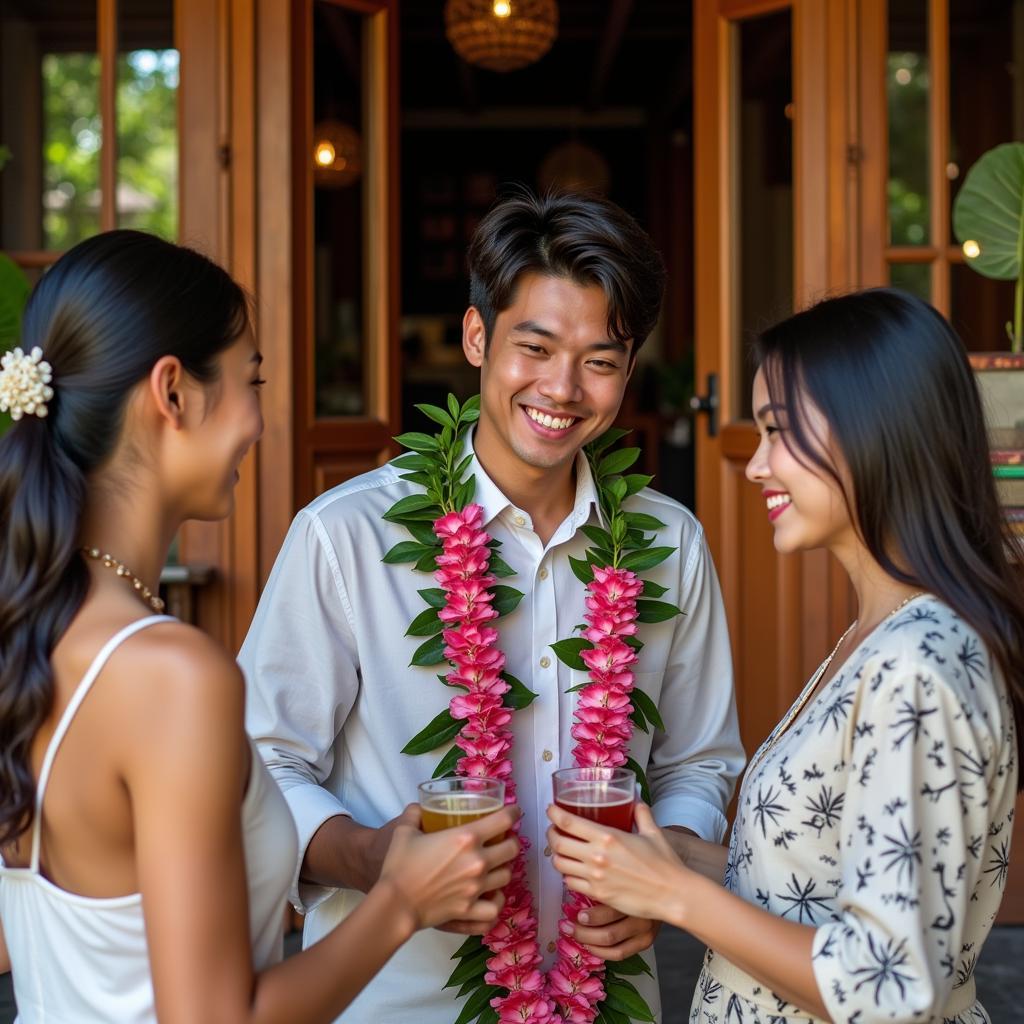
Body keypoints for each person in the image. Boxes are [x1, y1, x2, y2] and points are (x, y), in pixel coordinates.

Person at [241, 189, 745, 1021]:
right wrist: (374, 859)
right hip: (398, 999)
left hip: (608, 997)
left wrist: (659, 870)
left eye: (600, 360)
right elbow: (264, 766)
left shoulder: (670, 542)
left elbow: (697, 761)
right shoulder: (347, 536)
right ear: (478, 338)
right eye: (535, 346)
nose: (563, 388)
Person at [0, 230, 519, 1024]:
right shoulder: (170, 674)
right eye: (252, 379)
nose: (260, 422)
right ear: (173, 392)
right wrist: (403, 901)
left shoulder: (39, 624)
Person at [547, 288, 1024, 1023]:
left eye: (779, 432)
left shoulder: (916, 665)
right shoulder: (879, 635)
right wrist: (662, 857)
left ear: (876, 429)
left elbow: (891, 986)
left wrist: (674, 896)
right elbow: (802, 877)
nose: (755, 466)